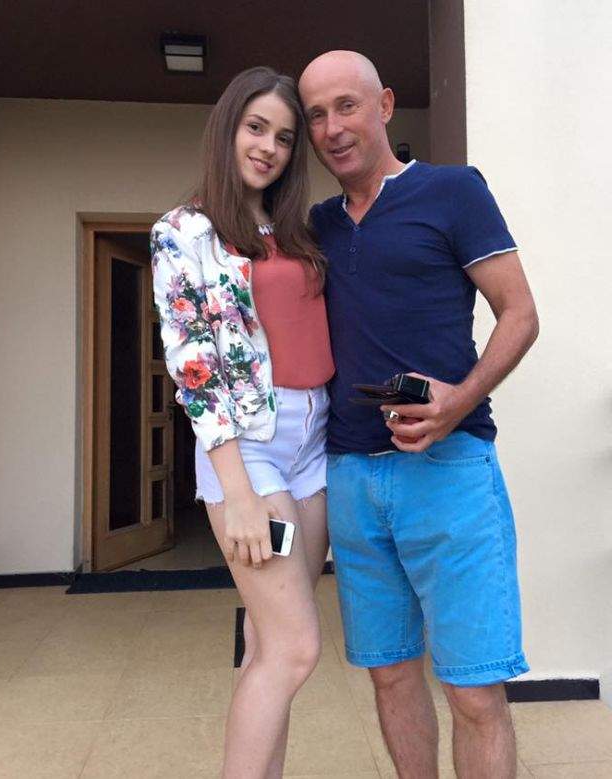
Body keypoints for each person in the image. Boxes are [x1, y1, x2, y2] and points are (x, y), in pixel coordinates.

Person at [299, 50, 539, 779]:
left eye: (347, 105)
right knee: (390, 676)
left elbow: (520, 313)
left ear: (384, 105)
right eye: (316, 115)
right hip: (351, 477)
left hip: (450, 471)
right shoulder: (318, 225)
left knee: (473, 690)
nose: (332, 127)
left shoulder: (453, 191)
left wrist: (457, 400)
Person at [151, 67, 334, 779]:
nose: (269, 148)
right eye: (256, 128)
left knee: (267, 643)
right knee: (295, 648)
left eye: (284, 138)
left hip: (313, 442)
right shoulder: (184, 232)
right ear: (228, 128)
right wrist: (239, 496)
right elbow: (193, 366)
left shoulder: (293, 231)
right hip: (248, 449)